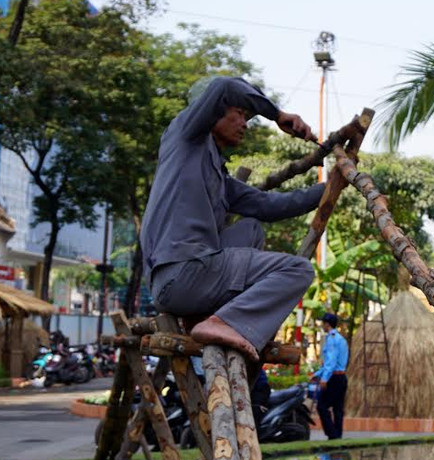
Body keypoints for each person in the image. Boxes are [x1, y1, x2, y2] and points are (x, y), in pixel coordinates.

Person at [141, 76, 325, 361]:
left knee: (251, 228)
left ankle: (206, 317)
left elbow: (269, 205)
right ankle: (226, 323)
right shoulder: (185, 135)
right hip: (182, 272)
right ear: (212, 111)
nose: (245, 124)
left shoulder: (216, 171)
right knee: (297, 270)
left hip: (192, 277)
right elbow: (225, 86)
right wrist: (277, 114)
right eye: (239, 113)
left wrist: (329, 188)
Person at [313, 312, 349, 439]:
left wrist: (324, 378)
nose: (322, 325)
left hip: (333, 377)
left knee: (321, 406)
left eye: (323, 323)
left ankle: (332, 435)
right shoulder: (341, 339)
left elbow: (331, 362)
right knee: (338, 409)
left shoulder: (332, 339)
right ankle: (337, 436)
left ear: (327, 324)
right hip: (342, 376)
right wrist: (317, 374)